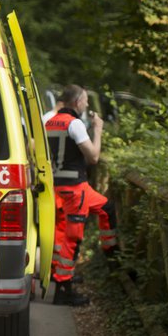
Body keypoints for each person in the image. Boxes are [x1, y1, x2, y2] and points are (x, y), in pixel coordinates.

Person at [44, 84, 118, 306]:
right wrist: (97, 130)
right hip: (74, 189)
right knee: (72, 239)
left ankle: (112, 257)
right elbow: (93, 157)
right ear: (77, 102)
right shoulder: (75, 124)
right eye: (85, 101)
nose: (86, 105)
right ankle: (63, 289)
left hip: (57, 187)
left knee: (106, 209)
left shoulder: (48, 123)